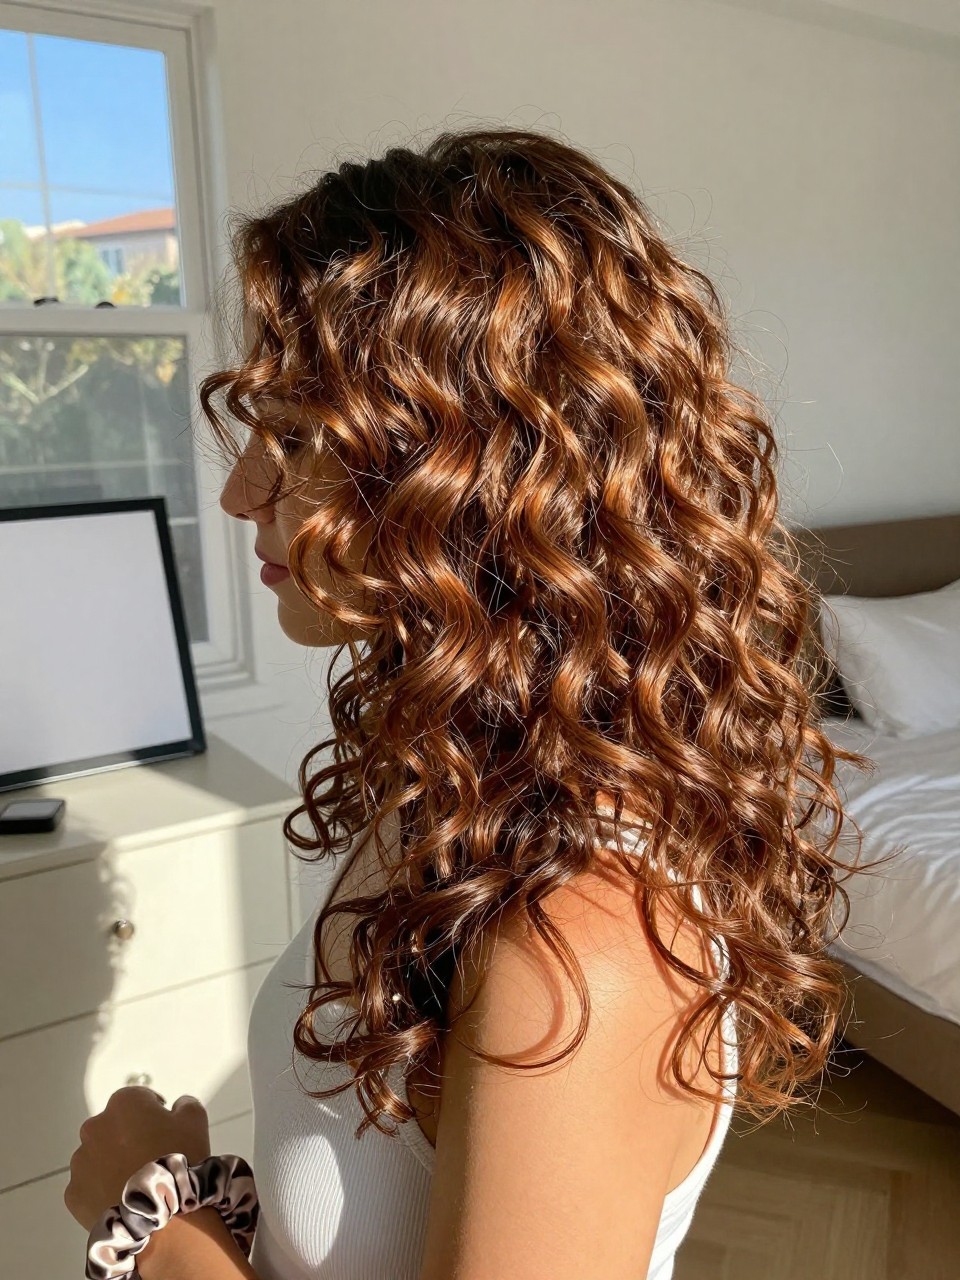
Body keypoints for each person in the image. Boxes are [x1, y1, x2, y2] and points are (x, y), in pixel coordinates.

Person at [66, 126, 868, 1280]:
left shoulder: (577, 936)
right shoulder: (455, 797)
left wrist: (150, 1219)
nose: (243, 491)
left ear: (481, 474)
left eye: (295, 437)